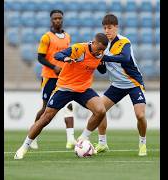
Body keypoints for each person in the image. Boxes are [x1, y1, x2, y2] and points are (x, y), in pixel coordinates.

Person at [14, 33, 109, 159]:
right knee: (46, 118)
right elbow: (57, 55)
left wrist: (102, 63)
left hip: (83, 89)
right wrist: (66, 58)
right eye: (99, 48)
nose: (101, 51)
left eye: (103, 50)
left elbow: (102, 71)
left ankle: (83, 138)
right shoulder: (79, 49)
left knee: (101, 110)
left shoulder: (100, 54)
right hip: (65, 88)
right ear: (94, 43)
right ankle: (24, 147)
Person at [94, 14, 148, 156]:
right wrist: (98, 62)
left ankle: (142, 143)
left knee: (140, 115)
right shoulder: (103, 45)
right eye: (105, 28)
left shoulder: (124, 41)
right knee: (99, 110)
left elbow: (124, 58)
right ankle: (102, 143)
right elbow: (103, 70)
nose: (107, 31)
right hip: (117, 85)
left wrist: (104, 57)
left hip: (133, 83)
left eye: (110, 28)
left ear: (116, 27)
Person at [27, 10, 76, 150]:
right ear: (51, 20)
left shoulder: (67, 36)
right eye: (55, 18)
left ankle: (70, 139)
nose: (57, 20)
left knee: (68, 106)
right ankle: (33, 136)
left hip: (64, 78)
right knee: (45, 109)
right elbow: (40, 57)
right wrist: (53, 67)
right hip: (49, 77)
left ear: (63, 19)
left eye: (60, 18)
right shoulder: (46, 37)